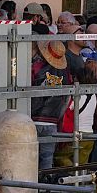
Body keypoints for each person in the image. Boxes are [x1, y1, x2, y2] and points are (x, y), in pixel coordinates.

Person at [31, 40, 72, 170]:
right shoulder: (65, 76)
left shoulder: (37, 69)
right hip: (52, 121)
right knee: (47, 157)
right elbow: (67, 100)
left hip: (34, 119)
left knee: (30, 157)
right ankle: (46, 183)